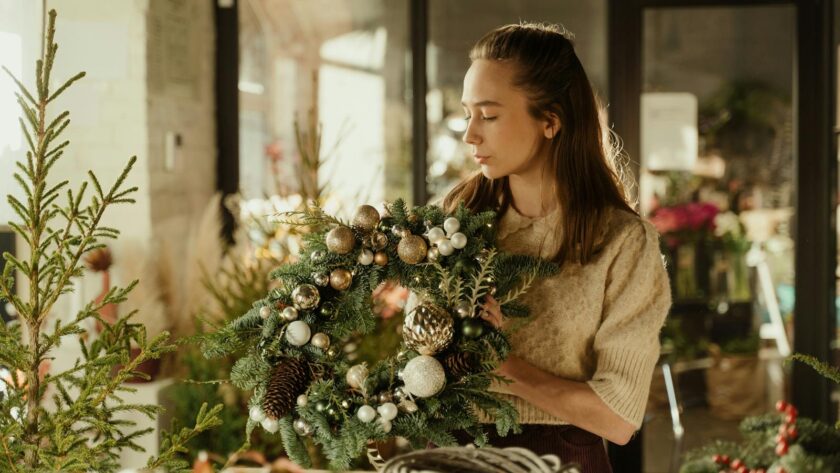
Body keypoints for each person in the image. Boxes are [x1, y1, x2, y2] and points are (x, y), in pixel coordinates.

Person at [442, 22, 672, 471]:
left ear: (550, 120)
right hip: (451, 454)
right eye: (467, 113)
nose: (470, 134)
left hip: (561, 461)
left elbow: (618, 416)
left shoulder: (623, 244)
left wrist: (505, 364)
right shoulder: (456, 219)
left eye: (488, 115)